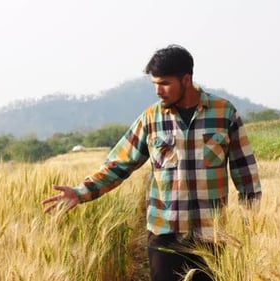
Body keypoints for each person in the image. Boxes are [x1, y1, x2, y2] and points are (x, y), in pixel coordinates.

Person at [42, 44, 262, 281]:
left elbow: (244, 171)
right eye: (155, 84)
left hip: (210, 234)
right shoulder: (150, 119)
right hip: (163, 232)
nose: (158, 91)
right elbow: (119, 163)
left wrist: (251, 223)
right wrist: (80, 192)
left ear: (186, 80)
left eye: (164, 83)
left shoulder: (224, 113)